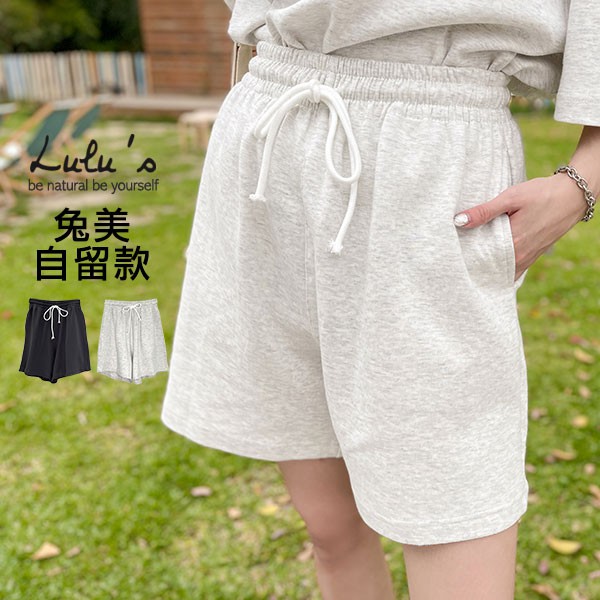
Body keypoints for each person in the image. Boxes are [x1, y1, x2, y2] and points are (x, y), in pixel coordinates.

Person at [161, 2, 599, 598]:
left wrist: (582, 183)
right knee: (331, 531)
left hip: (431, 151)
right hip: (273, 120)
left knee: (453, 524)